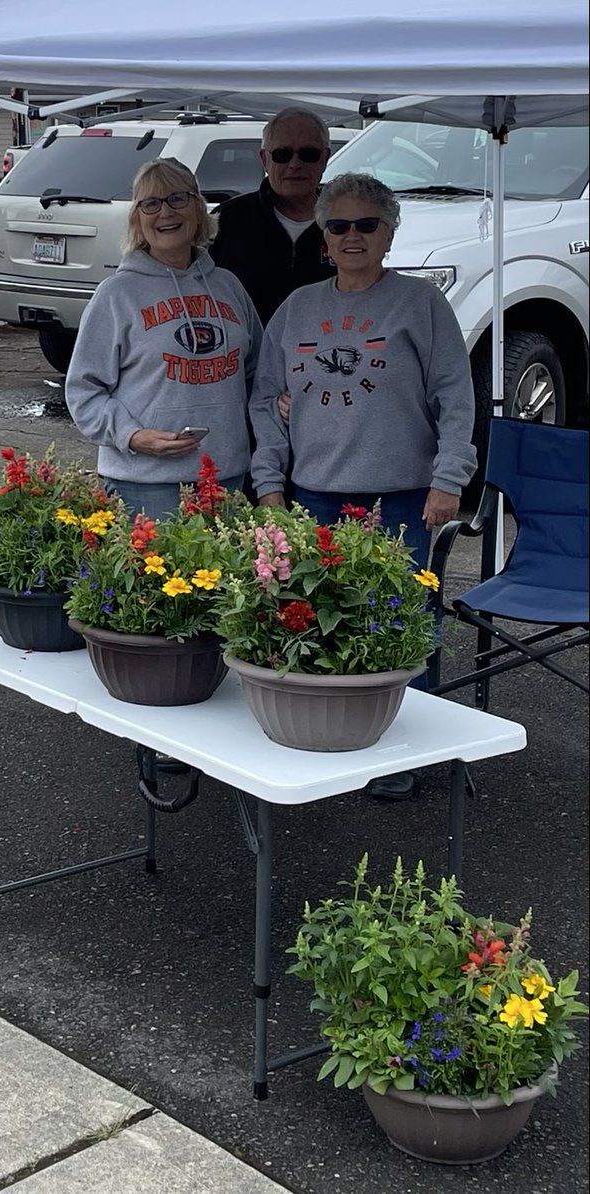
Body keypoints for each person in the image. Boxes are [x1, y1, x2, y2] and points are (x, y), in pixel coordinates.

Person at [250, 171, 477, 799]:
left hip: (403, 499)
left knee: (400, 626)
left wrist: (448, 478)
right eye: (339, 225)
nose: (353, 236)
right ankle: (333, 741)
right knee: (321, 620)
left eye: (367, 224)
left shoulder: (420, 304)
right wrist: (269, 485)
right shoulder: (297, 308)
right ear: (323, 236)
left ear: (390, 232)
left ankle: (405, 750)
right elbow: (266, 399)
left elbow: (456, 396)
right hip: (315, 496)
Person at [65, 157, 263, 519]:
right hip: (145, 484)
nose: (165, 212)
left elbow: (258, 375)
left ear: (198, 208)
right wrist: (131, 436)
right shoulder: (117, 295)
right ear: (137, 219)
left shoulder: (228, 286)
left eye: (177, 198)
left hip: (226, 477)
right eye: (151, 204)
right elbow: (83, 391)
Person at [211, 107, 337, 326]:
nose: (295, 164)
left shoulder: (348, 223)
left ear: (325, 158)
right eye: (282, 155)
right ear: (264, 159)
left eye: (309, 154)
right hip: (247, 346)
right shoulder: (226, 220)